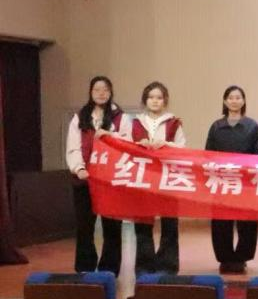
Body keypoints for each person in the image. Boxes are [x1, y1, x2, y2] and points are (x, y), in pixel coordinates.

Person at [66, 76, 126, 274]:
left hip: (111, 182)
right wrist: (79, 169)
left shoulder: (120, 117)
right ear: (91, 92)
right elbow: (73, 147)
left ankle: (110, 269)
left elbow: (127, 143)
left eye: (105, 89)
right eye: (97, 89)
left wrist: (109, 135)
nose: (101, 93)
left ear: (111, 92)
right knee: (85, 227)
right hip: (85, 180)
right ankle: (85, 268)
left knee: (112, 227)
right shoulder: (80, 117)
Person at [205, 85, 258, 274]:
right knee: (221, 221)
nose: (234, 101)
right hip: (222, 180)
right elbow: (208, 154)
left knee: (247, 222)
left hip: (245, 181)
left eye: (238, 97)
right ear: (225, 101)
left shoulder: (252, 126)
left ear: (243, 101)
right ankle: (225, 258)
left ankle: (241, 257)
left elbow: (257, 154)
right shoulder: (216, 126)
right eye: (231, 97)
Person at [132, 81, 185, 274]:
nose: (155, 101)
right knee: (142, 224)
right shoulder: (135, 123)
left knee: (169, 222)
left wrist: (166, 145)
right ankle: (144, 266)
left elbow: (182, 149)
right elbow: (125, 145)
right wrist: (139, 145)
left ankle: (167, 266)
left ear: (165, 101)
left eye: (159, 98)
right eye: (151, 97)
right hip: (143, 178)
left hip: (167, 178)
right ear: (145, 100)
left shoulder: (174, 123)